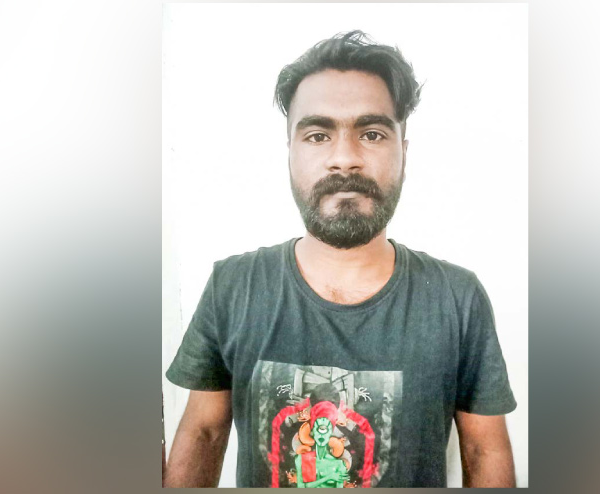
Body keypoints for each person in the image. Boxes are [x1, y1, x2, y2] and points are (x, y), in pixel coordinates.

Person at [164, 30, 518, 488]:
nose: (345, 158)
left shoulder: (457, 298)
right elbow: (204, 434)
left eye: (371, 134)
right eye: (317, 135)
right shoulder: (232, 286)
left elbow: (484, 450)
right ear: (290, 152)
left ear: (403, 151)